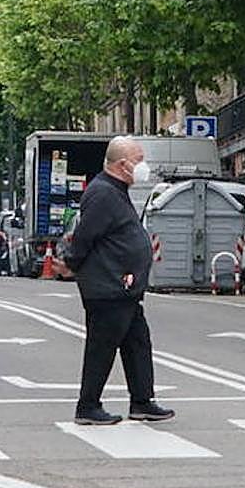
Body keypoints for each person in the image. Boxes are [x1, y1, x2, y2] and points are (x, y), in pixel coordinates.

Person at [62, 136, 173, 426]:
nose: (143, 166)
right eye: (138, 160)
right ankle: (87, 406)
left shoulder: (115, 190)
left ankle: (142, 402)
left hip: (123, 287)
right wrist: (71, 264)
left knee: (137, 342)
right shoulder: (103, 193)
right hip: (108, 286)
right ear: (122, 165)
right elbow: (86, 237)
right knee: (102, 345)